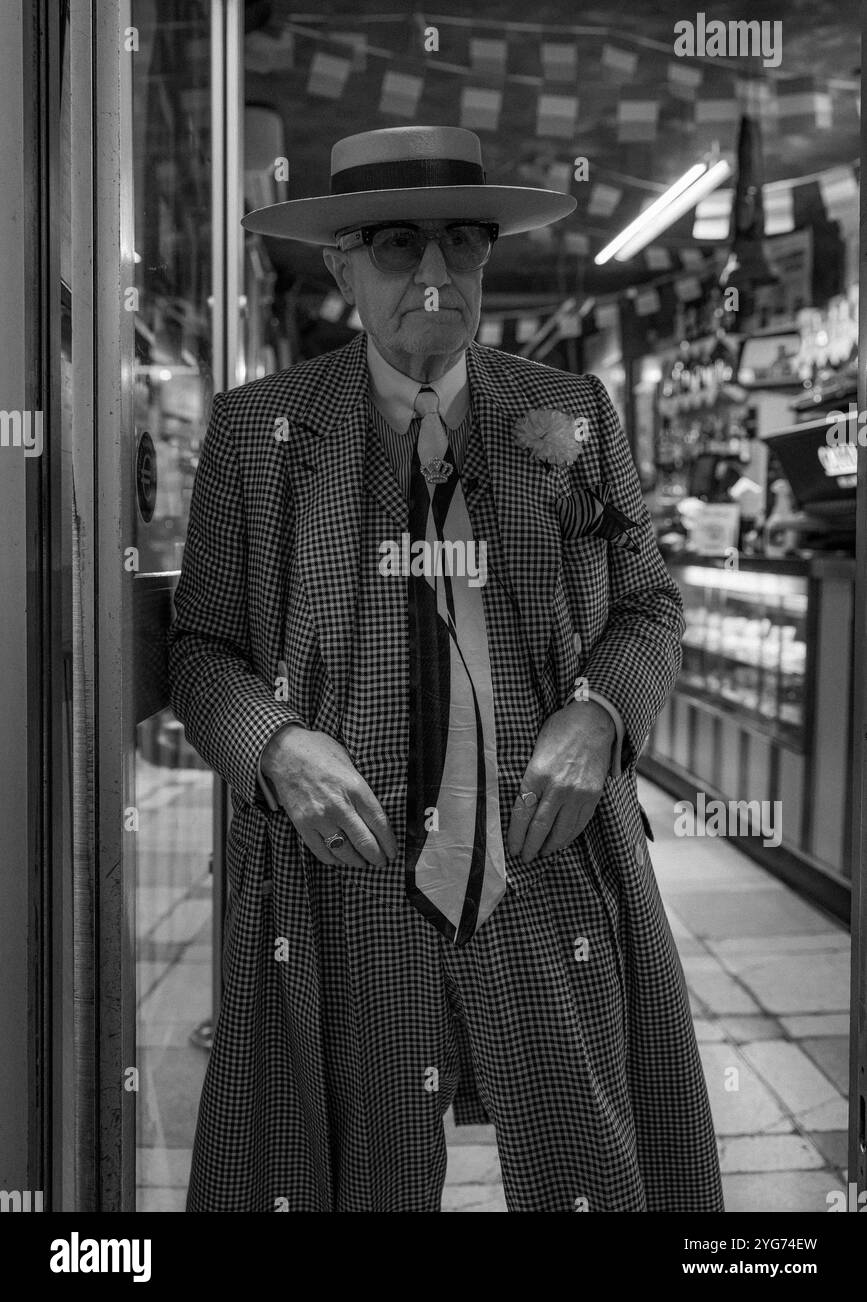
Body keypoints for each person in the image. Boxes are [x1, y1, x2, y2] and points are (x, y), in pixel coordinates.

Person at [169, 125, 723, 1213]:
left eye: (461, 244)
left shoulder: (569, 413)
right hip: (346, 873)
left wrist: (602, 714)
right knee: (349, 1173)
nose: (434, 274)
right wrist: (274, 745)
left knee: (594, 1168)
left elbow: (650, 601)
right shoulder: (256, 431)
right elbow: (201, 647)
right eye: (396, 246)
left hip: (545, 859)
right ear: (339, 264)